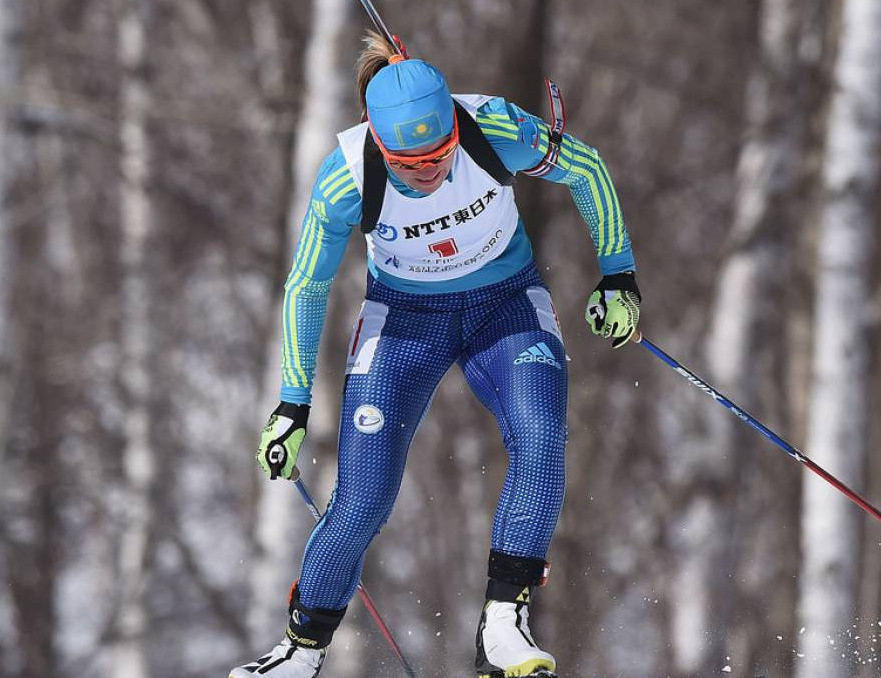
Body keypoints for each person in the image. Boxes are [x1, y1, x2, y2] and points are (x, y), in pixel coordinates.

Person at [231, 33, 640, 678]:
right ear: (376, 137)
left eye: (439, 155)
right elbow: (306, 284)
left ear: (454, 125)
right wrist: (292, 400)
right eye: (408, 162)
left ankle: (503, 622)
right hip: (403, 324)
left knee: (542, 441)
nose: (427, 172)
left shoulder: (494, 125)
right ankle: (301, 650)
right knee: (363, 497)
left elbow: (585, 169)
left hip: (505, 305)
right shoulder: (345, 174)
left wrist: (618, 276)